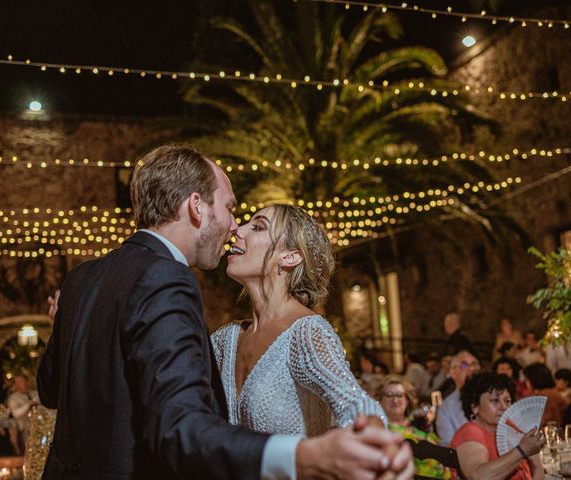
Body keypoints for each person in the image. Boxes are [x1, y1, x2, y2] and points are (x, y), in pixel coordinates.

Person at [38, 145, 413, 480]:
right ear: (196, 206)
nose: (235, 228)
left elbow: (52, 389)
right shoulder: (186, 298)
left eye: (256, 225)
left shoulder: (80, 279)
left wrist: (373, 441)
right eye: (232, 209)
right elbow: (180, 425)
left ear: (289, 256)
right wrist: (306, 456)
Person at [211, 203, 387, 435]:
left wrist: (373, 434)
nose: (239, 231)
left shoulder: (305, 333)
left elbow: (354, 402)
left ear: (290, 257)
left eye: (258, 227)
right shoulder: (225, 340)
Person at [452, 371, 545, 480]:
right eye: (495, 400)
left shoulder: (510, 434)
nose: (504, 406)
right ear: (475, 407)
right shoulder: (470, 431)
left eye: (508, 401)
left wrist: (535, 459)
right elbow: (479, 476)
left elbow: (539, 474)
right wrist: (522, 451)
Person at [378, 377, 450, 479]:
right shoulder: (379, 429)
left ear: (407, 400)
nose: (395, 400)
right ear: (380, 400)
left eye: (399, 395)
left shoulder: (420, 423)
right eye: (389, 395)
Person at [435, 350, 480, 446]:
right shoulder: (446, 408)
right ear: (452, 372)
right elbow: (448, 444)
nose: (471, 369)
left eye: (474, 364)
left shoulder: (492, 398)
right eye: (464, 365)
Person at [522, 363, 569, 428]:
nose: (526, 383)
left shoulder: (544, 397)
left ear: (532, 380)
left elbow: (545, 423)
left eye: (526, 379)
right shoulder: (552, 393)